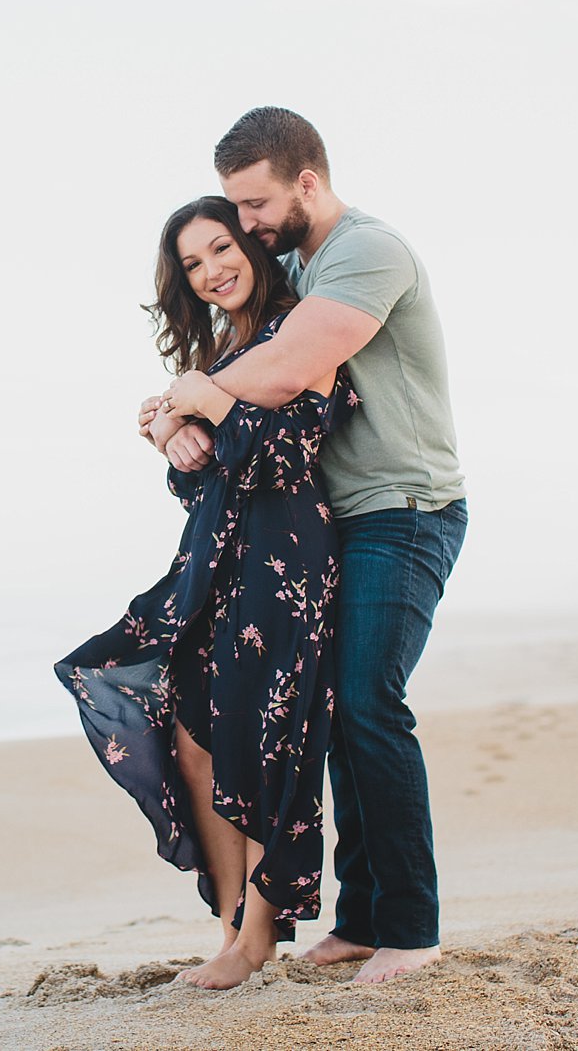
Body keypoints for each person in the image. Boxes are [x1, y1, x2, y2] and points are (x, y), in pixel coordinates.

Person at [141, 106, 468, 985]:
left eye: (254, 205)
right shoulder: (289, 261)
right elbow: (240, 342)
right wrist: (168, 413)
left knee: (368, 702)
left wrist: (187, 395)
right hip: (341, 519)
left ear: (307, 181)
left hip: (404, 507)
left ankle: (411, 925)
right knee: (338, 717)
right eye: (237, 211)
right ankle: (360, 917)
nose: (244, 226)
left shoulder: (367, 250)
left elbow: (285, 368)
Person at [56, 195, 357, 991]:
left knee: (258, 745)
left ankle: (255, 939)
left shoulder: (298, 329)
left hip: (284, 554)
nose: (211, 269)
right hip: (214, 560)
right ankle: (231, 927)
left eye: (220, 247)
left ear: (252, 248)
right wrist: (174, 434)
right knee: (194, 738)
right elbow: (207, 476)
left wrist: (198, 401)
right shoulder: (221, 350)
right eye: (192, 263)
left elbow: (289, 456)